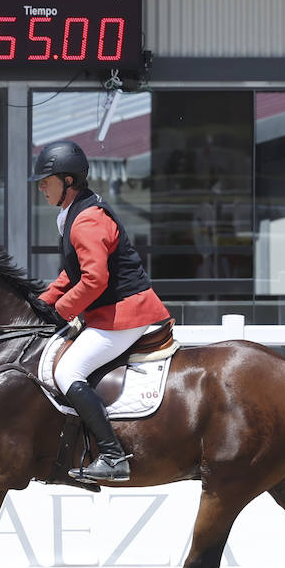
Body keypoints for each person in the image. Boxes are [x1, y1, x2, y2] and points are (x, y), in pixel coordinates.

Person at [31, 140, 172, 483]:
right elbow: (75, 271)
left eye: (45, 181)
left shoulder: (86, 221)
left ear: (67, 181)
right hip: (112, 311)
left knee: (67, 372)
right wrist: (44, 301)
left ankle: (112, 455)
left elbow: (94, 280)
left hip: (126, 313)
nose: (40, 187)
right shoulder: (74, 214)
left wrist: (61, 310)